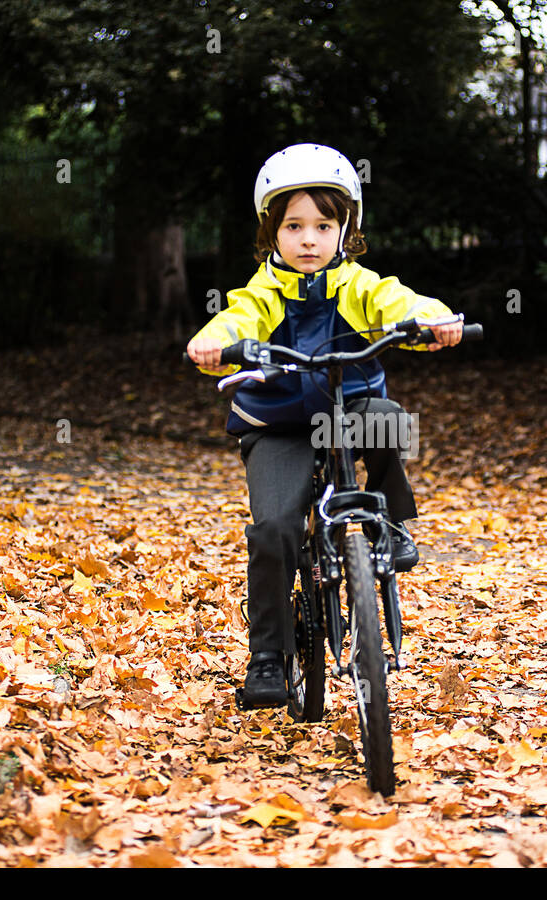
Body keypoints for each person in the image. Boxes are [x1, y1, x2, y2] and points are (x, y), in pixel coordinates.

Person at [187, 142, 462, 707]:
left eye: (323, 224)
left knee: (388, 420)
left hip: (347, 411)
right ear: (272, 232)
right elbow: (239, 315)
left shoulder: (357, 285)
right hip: (277, 424)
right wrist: (217, 339)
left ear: (345, 231)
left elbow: (396, 300)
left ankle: (389, 523)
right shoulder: (263, 293)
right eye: (293, 225)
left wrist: (431, 319)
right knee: (274, 531)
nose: (308, 239)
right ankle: (268, 654)